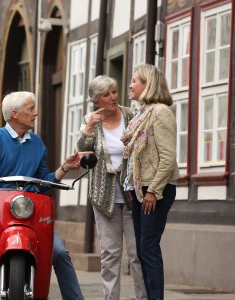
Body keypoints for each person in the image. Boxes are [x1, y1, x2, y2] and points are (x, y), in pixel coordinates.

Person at [0, 91, 89, 300]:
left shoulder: (37, 143)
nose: (35, 113)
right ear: (14, 113)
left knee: (59, 252)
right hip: (1, 212)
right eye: (31, 109)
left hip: (31, 212)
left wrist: (65, 167)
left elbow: (44, 183)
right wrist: (6, 198)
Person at [76, 75, 147, 300]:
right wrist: (89, 128)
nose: (113, 97)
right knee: (110, 256)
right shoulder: (91, 120)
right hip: (103, 197)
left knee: (137, 254)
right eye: (106, 95)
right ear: (97, 100)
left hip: (132, 195)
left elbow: (143, 145)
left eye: (114, 91)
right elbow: (82, 151)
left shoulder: (131, 115)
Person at [121, 64, 180, 300]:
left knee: (148, 248)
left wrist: (153, 191)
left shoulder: (161, 112)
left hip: (156, 189)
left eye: (135, 80)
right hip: (140, 189)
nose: (130, 84)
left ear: (148, 85)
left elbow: (168, 158)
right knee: (141, 250)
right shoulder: (142, 113)